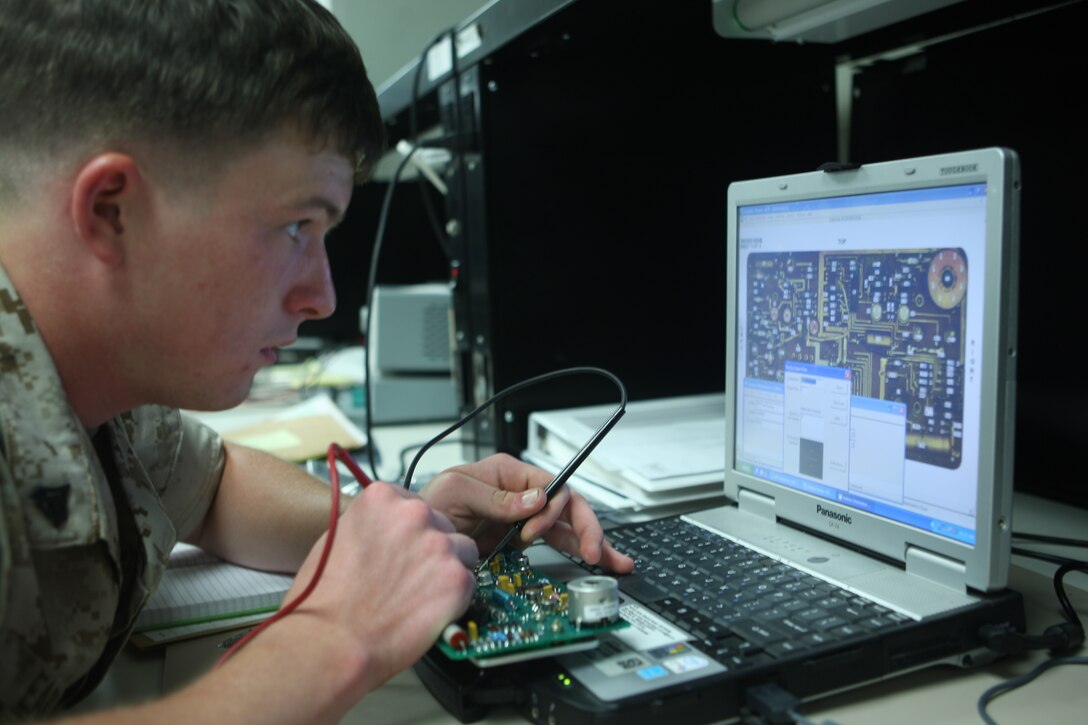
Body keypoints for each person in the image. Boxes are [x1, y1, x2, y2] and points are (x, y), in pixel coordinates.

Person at [0, 1, 634, 721]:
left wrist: (410, 522)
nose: (323, 296)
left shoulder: (96, 385)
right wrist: (333, 636)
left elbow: (210, 483)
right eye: (297, 225)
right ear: (112, 210)